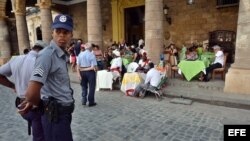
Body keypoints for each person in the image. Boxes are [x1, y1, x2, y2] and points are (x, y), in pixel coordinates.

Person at [19, 14, 75, 141]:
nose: (61, 35)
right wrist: (43, 105)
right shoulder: (47, 55)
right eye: (58, 31)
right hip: (55, 115)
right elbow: (31, 93)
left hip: (62, 115)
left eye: (65, 32)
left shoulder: (60, 55)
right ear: (52, 33)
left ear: (71, 34)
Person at [0, 40, 48, 141]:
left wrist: (13, 86)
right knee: (40, 136)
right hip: (36, 106)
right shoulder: (40, 62)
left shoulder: (15, 59)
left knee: (39, 133)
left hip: (21, 103)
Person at [77, 42, 98, 107]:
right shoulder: (92, 55)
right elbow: (93, 67)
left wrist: (79, 73)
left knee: (84, 86)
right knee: (91, 87)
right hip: (90, 72)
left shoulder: (80, 54)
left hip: (82, 72)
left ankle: (84, 100)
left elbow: (78, 66)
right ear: (91, 48)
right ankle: (91, 101)